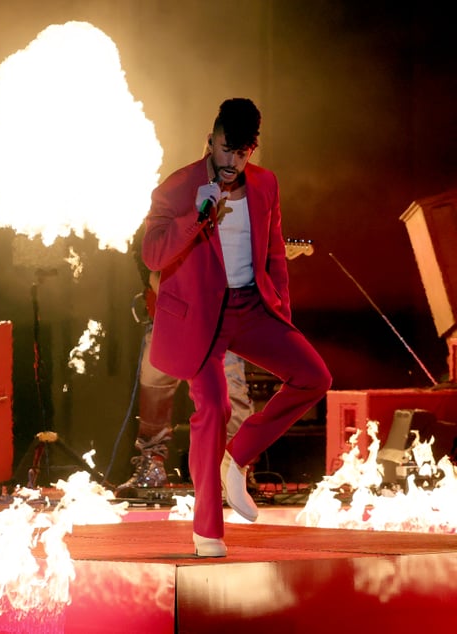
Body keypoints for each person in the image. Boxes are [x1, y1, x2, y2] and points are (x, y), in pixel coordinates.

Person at [141, 98, 331, 557]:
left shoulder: (266, 185)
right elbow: (152, 254)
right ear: (210, 141)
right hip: (201, 317)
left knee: (314, 377)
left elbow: (275, 253)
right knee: (214, 406)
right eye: (225, 150)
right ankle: (207, 530)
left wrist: (281, 308)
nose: (232, 162)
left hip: (251, 306)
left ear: (253, 150)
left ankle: (238, 457)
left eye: (242, 153)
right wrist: (194, 218)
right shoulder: (179, 187)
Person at [116, 222, 253, 494]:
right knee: (154, 389)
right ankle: (151, 463)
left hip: (216, 325)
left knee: (230, 395)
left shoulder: (225, 221)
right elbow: (149, 269)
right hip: (168, 323)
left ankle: (234, 470)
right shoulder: (159, 221)